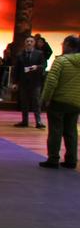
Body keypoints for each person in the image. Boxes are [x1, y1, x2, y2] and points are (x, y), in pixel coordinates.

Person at [38, 35, 80, 169]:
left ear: (68, 45)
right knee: (71, 131)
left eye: (63, 43)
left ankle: (53, 159)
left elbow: (51, 82)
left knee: (55, 131)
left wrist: (45, 98)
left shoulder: (61, 61)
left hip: (58, 101)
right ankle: (71, 160)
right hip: (76, 102)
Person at [13, 36, 47, 128]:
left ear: (34, 43)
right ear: (25, 43)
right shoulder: (20, 55)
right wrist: (15, 82)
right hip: (23, 82)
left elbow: (44, 65)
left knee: (36, 102)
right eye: (27, 41)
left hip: (35, 82)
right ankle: (25, 121)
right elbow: (17, 70)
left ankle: (38, 121)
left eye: (31, 41)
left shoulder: (39, 54)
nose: (29, 43)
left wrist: (37, 67)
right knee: (24, 102)